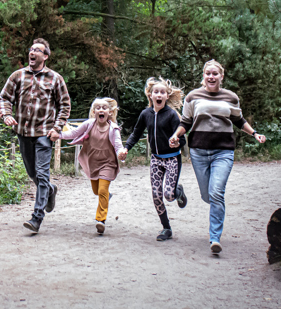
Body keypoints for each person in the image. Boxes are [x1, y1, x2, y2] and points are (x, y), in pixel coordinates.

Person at [168, 59, 266, 253]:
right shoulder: (192, 97)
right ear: (203, 76)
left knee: (216, 193)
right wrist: (175, 135)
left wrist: (255, 133)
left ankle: (215, 238)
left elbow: (239, 120)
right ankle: (203, 204)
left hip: (224, 151)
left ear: (222, 76)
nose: (211, 77)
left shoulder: (231, 97)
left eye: (215, 73)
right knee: (207, 195)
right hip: (199, 151)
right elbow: (186, 122)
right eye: (208, 73)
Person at [0, 38, 71, 233]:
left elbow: (64, 104)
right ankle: (49, 189)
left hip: (44, 133)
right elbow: (5, 97)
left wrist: (57, 128)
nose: (32, 52)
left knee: (41, 173)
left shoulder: (55, 78)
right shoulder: (18, 76)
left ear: (45, 56)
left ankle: (36, 217)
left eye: (37, 50)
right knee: (32, 173)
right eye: (31, 49)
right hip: (23, 132)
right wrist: (6, 114)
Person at [119, 77, 188, 241]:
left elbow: (183, 140)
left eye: (162, 92)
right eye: (156, 92)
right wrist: (126, 147)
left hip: (172, 159)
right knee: (156, 195)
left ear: (167, 96)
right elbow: (136, 133)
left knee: (168, 195)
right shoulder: (145, 114)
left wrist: (177, 141)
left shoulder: (172, 115)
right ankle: (166, 228)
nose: (159, 94)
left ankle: (178, 192)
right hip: (156, 160)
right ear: (150, 95)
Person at [58, 98, 125, 234]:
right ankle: (107, 195)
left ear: (110, 113)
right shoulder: (89, 124)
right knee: (97, 191)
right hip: (93, 163)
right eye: (98, 108)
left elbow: (118, 145)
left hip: (108, 163)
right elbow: (73, 133)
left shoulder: (113, 129)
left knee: (101, 191)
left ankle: (101, 220)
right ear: (94, 112)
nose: (101, 110)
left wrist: (121, 153)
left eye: (104, 108)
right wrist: (58, 135)